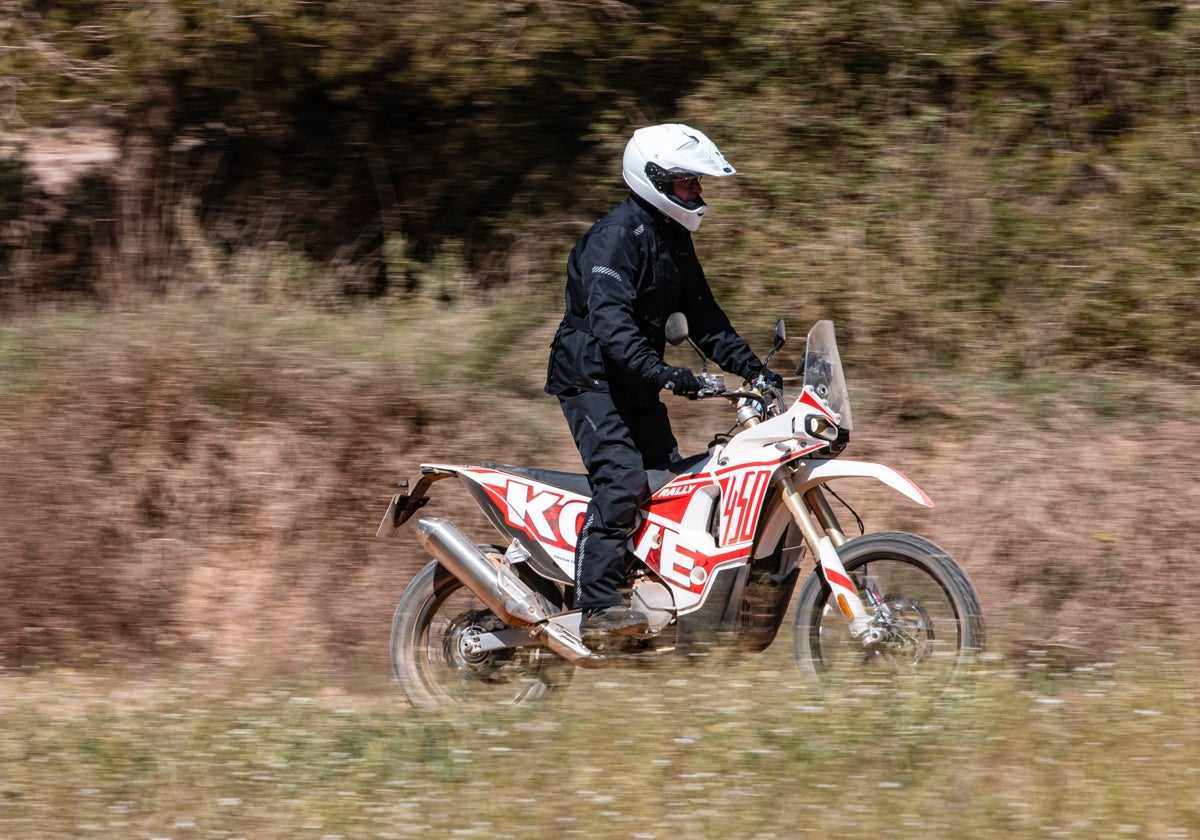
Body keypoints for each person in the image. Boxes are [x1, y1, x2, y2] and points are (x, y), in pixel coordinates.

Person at [544, 122, 780, 647]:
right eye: (688, 183)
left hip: (631, 377)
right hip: (589, 376)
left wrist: (753, 369)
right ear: (654, 179)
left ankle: (648, 598)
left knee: (668, 485)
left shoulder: (671, 239)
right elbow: (611, 326)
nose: (697, 193)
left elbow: (704, 318)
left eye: (698, 184)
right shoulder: (614, 237)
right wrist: (667, 375)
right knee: (624, 478)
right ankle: (596, 607)